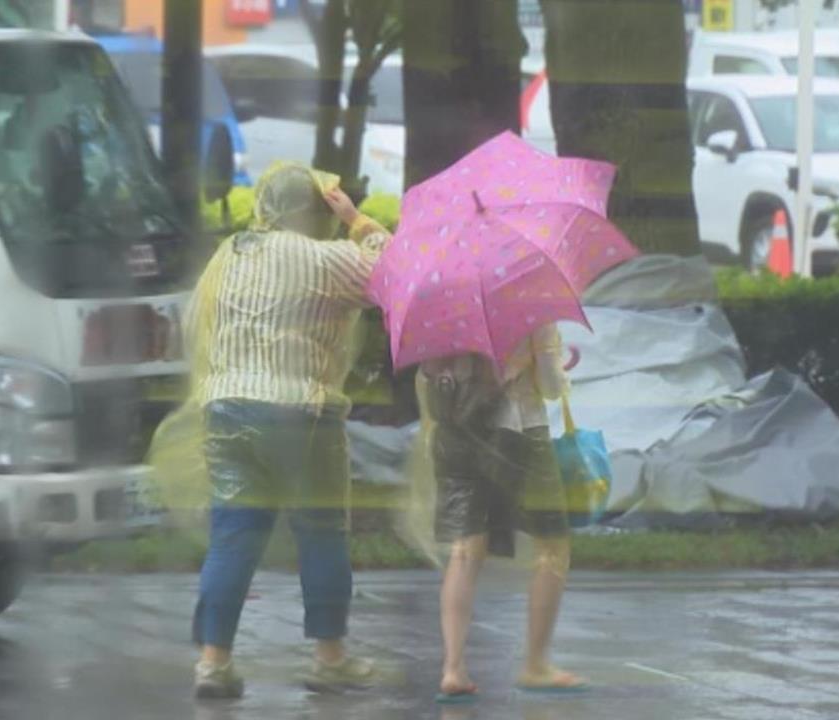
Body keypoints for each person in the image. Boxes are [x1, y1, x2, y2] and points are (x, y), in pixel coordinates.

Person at [153, 163, 390, 700]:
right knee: (321, 530)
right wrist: (357, 221)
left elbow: (194, 322)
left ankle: (213, 663)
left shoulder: (229, 255)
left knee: (233, 535)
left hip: (227, 408)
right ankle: (330, 659)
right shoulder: (324, 259)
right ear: (316, 210)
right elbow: (395, 272)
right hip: (300, 414)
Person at [418, 325, 585, 702]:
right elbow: (550, 386)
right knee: (553, 546)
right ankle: (536, 665)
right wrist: (557, 368)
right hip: (518, 430)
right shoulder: (529, 308)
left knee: (464, 551)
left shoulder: (442, 310)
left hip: (455, 434)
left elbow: (430, 372)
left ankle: (453, 668)